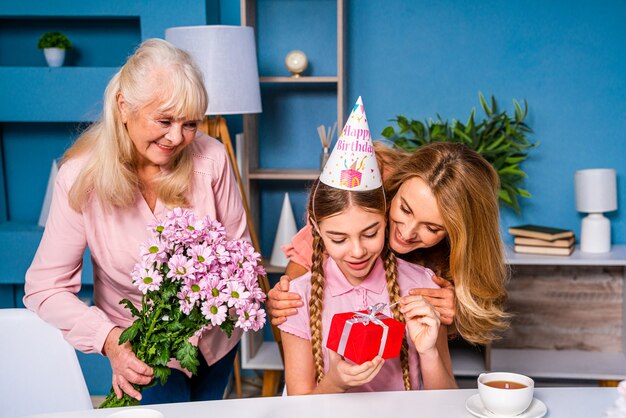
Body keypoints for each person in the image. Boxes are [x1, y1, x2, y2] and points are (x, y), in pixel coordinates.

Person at [23, 39, 249, 404]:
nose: (177, 137)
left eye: (190, 123)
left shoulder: (212, 158)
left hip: (216, 344)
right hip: (142, 353)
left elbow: (239, 256)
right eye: (164, 120)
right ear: (124, 107)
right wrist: (111, 340)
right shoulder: (80, 176)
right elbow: (44, 288)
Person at [279, 97, 456, 394]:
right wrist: (336, 381)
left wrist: (429, 352)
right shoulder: (300, 296)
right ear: (316, 229)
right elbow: (300, 406)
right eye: (338, 239)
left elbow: (447, 398)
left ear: (386, 220)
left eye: (370, 233)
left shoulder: (423, 284)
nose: (358, 251)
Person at [270, 141, 509, 345]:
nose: (406, 232)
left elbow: (471, 318)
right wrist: (286, 298)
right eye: (405, 209)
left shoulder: (452, 258)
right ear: (395, 188)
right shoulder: (366, 187)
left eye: (432, 228)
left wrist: (457, 313)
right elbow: (306, 257)